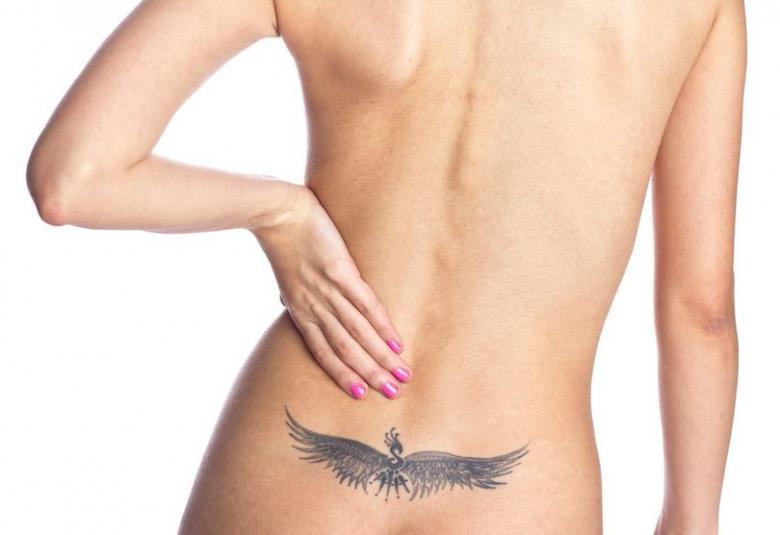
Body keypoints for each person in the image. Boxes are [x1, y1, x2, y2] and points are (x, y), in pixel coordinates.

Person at [25, 0, 745, 533]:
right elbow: (700, 310)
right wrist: (692, 518)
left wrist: (280, 212)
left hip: (294, 455)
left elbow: (72, 177)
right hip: (518, 489)